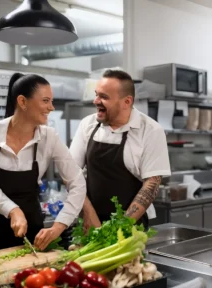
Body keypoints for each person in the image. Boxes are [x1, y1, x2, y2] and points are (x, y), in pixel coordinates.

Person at [0, 73, 86, 255]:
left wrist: (59, 226)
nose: (51, 107)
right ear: (22, 102)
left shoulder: (49, 137)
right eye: (45, 101)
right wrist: (13, 210)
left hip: (31, 232)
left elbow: (77, 183)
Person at [69, 69, 171, 231]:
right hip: (88, 223)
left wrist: (120, 228)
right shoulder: (87, 125)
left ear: (127, 101)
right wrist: (88, 214)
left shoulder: (150, 130)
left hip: (130, 226)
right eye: (96, 94)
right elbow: (70, 173)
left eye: (104, 97)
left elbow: (151, 184)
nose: (96, 101)